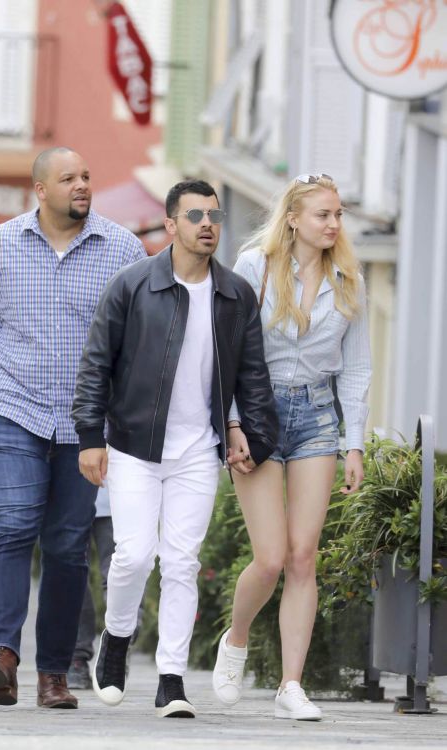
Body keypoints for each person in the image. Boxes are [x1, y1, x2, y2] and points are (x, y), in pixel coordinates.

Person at [0, 147, 146, 709]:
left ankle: (55, 671)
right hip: (11, 408)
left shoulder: (122, 250)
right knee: (11, 526)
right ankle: (3, 654)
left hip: (86, 424)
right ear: (39, 190)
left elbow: (137, 343)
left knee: (64, 546)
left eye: (86, 176)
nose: (82, 185)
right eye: (68, 178)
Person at [72, 179, 278, 718]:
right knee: (133, 556)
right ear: (170, 225)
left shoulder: (235, 294)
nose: (207, 223)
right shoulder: (132, 285)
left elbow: (252, 374)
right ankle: (115, 640)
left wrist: (253, 437)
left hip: (197, 449)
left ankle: (171, 678)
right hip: (135, 446)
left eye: (214, 214)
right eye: (195, 215)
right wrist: (91, 438)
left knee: (181, 562)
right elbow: (96, 365)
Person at [212, 173, 372, 721]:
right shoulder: (253, 266)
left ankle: (291, 685)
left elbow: (358, 369)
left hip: (318, 418)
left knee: (304, 557)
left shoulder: (350, 277)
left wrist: (354, 445)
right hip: (258, 413)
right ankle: (235, 640)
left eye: (339, 214)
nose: (333, 224)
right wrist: (232, 424)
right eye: (324, 214)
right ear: (294, 218)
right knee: (271, 557)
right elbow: (225, 352)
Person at [66, 485, 144, 690]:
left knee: (121, 570)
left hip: (119, 490)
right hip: (69, 491)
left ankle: (120, 641)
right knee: (70, 572)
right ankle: (76, 656)